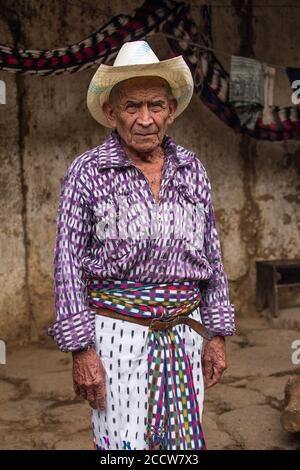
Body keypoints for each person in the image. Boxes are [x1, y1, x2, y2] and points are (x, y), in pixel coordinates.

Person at [47, 40, 236, 451]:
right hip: (115, 335)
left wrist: (216, 334)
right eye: (132, 107)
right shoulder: (88, 171)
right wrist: (81, 351)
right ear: (112, 114)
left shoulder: (191, 169)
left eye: (155, 105)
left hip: (185, 333)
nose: (145, 118)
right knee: (123, 446)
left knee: (179, 445)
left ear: (171, 110)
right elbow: (67, 267)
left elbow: (212, 257)